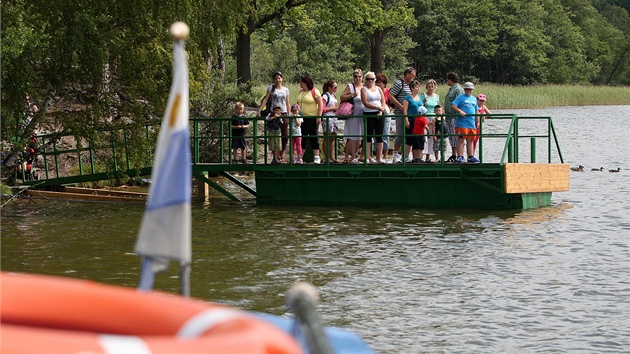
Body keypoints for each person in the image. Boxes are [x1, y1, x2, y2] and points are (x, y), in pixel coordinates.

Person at [258, 71, 290, 161]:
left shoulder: (286, 90)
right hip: (273, 113)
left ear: (282, 79)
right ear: (274, 80)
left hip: (283, 113)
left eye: (279, 78)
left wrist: (289, 113)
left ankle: (281, 154)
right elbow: (266, 99)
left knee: (285, 135)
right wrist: (259, 110)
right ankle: (275, 157)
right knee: (274, 135)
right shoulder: (271, 88)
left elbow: (288, 102)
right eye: (276, 78)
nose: (277, 80)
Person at [388, 67, 416, 164]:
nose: (413, 78)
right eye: (412, 75)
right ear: (407, 74)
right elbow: (390, 96)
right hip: (400, 113)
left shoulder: (411, 85)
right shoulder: (399, 83)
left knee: (407, 134)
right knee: (400, 133)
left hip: (409, 113)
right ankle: (395, 154)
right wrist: (400, 106)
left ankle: (405, 155)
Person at [296, 74, 323, 164]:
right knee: (302, 137)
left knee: (313, 136)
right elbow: (297, 104)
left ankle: (316, 156)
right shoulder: (301, 92)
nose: (300, 83)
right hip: (302, 118)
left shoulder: (315, 91)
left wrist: (319, 116)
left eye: (301, 81)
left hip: (312, 117)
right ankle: (300, 157)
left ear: (305, 82)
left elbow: (320, 104)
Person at [360, 71, 387, 163]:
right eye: (368, 79)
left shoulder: (378, 88)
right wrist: (377, 107)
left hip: (379, 113)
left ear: (375, 80)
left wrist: (381, 109)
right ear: (365, 80)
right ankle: (367, 157)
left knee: (379, 135)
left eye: (372, 79)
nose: (370, 81)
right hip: (369, 113)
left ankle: (379, 157)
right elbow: (365, 102)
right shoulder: (364, 89)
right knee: (368, 135)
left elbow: (383, 100)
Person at [451, 82, 480, 163]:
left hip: (471, 123)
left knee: (470, 140)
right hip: (462, 122)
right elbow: (453, 105)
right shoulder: (460, 97)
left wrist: (477, 121)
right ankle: (460, 156)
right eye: (466, 89)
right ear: (464, 89)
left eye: (470, 89)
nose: (468, 91)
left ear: (472, 90)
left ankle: (470, 156)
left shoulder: (474, 99)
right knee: (461, 139)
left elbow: (476, 110)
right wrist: (460, 111)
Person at [340, 69, 365, 164]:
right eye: (355, 76)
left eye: (359, 76)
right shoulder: (350, 86)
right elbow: (342, 97)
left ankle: (353, 156)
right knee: (352, 135)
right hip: (353, 114)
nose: (358, 78)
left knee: (359, 136)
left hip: (362, 115)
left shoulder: (364, 86)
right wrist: (352, 95)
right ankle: (353, 157)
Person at [402, 80, 429, 163]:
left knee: (417, 139)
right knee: (409, 138)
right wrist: (406, 120)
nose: (418, 88)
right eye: (416, 87)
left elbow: (422, 107)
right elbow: (405, 110)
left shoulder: (420, 97)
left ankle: (416, 158)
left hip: (419, 120)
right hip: (411, 119)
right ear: (412, 88)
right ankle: (405, 157)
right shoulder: (407, 98)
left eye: (418, 87)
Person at [443, 72, 464, 163]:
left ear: (451, 79)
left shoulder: (458, 89)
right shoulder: (451, 89)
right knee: (452, 137)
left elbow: (459, 103)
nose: (447, 81)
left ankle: (458, 155)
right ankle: (453, 154)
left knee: (456, 137)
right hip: (449, 117)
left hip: (454, 117)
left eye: (447, 79)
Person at [321, 80, 340, 163]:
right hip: (327, 118)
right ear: (329, 88)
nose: (336, 88)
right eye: (335, 87)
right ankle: (326, 157)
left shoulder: (334, 96)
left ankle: (331, 157)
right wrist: (333, 108)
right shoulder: (325, 96)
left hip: (334, 118)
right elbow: (323, 108)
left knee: (332, 137)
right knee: (326, 137)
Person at [421, 79, 439, 162]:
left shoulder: (436, 96)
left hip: (434, 118)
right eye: (429, 86)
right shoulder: (423, 95)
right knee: (425, 136)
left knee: (433, 137)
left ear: (434, 87)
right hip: (426, 117)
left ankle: (432, 156)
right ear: (426, 87)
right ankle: (423, 156)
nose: (430, 88)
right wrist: (423, 102)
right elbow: (420, 106)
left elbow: (438, 107)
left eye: (432, 86)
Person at [375, 73, 391, 160]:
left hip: (386, 114)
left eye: (380, 82)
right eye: (377, 82)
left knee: (385, 134)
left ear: (384, 83)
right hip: (377, 113)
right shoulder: (374, 91)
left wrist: (388, 108)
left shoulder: (388, 91)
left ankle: (385, 154)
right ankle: (378, 155)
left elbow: (391, 103)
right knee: (376, 134)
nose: (378, 84)